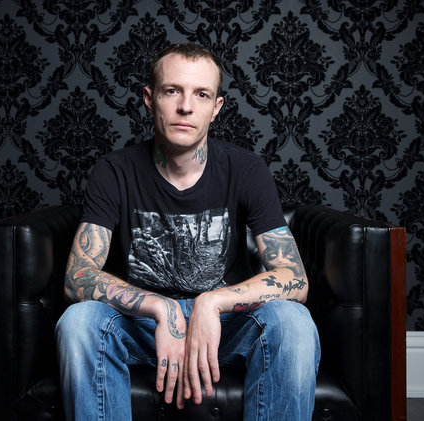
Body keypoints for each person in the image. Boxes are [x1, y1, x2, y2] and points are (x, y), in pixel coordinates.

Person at [56, 43, 320, 420]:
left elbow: (295, 277)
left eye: (201, 94)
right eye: (172, 91)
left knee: (294, 323)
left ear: (217, 107)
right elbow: (77, 276)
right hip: (143, 324)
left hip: (223, 325)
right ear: (150, 99)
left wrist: (211, 303)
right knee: (79, 322)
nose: (186, 107)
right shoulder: (114, 171)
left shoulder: (246, 169)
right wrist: (161, 308)